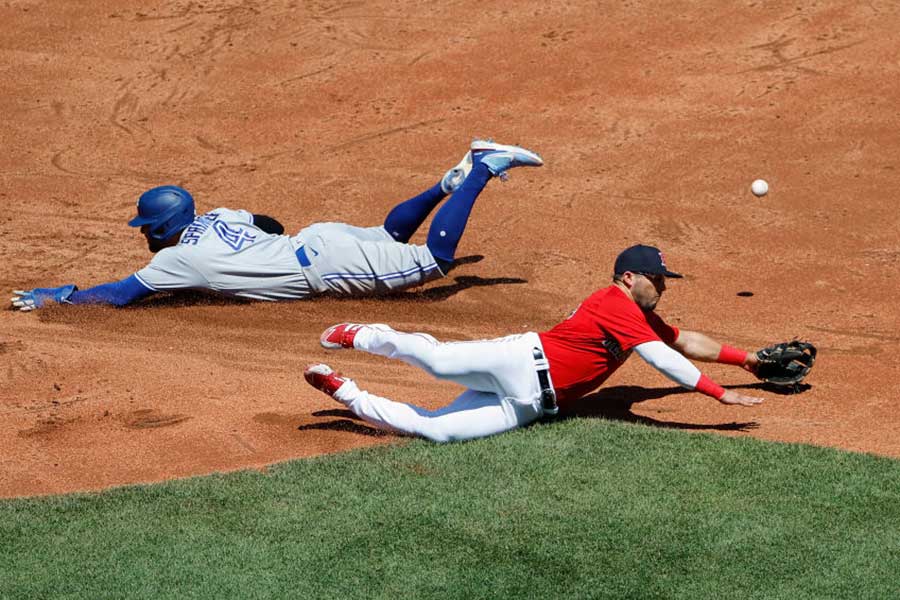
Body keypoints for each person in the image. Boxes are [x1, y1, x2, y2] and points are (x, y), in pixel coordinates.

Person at [303, 244, 766, 443]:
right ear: (630, 278)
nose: (662, 287)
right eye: (658, 279)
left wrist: (747, 359)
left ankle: (345, 392)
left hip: (531, 404)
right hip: (519, 360)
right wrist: (717, 393)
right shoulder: (613, 302)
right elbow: (661, 358)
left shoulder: (641, 319)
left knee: (438, 431)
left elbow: (683, 342)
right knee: (437, 361)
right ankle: (368, 335)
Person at [9, 139, 543, 310]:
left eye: (148, 227)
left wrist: (63, 296)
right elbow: (269, 221)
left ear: (163, 227)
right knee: (389, 238)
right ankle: (443, 187)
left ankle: (481, 169)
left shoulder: (176, 259)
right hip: (316, 237)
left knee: (435, 262)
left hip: (326, 263)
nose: (145, 234)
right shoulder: (218, 216)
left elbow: (121, 294)